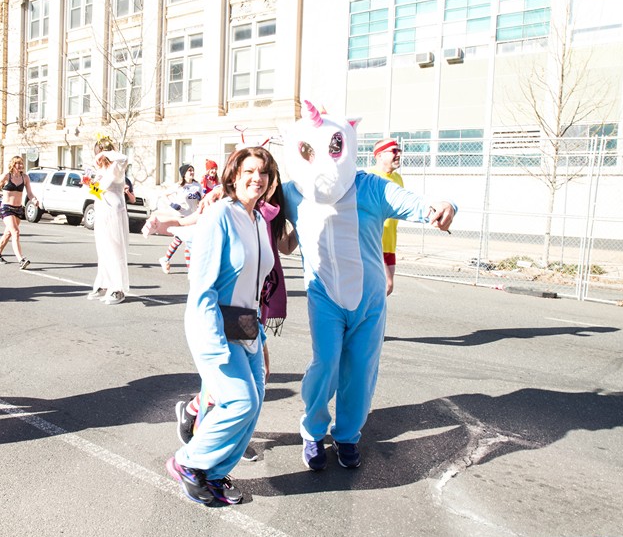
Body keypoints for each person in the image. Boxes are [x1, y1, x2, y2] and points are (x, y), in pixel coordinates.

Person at [283, 101, 455, 472]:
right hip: (323, 295)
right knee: (325, 364)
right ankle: (313, 432)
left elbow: (415, 204)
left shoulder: (370, 187)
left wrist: (442, 205)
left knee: (360, 370)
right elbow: (259, 210)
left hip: (369, 299)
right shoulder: (292, 191)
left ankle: (347, 436)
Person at [166, 146, 277, 505]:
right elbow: (202, 286)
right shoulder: (219, 216)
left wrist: (260, 339)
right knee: (239, 401)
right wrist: (212, 341)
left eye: (263, 172)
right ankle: (188, 463)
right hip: (213, 324)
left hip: (246, 327)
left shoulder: (259, 220)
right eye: (249, 171)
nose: (256, 178)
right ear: (233, 175)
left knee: (254, 401)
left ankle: (213, 473)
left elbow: (255, 288)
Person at [86, 135, 130, 305]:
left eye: (98, 154)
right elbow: (98, 193)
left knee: (115, 251)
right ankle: (104, 284)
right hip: (102, 212)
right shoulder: (100, 172)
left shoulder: (116, 167)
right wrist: (90, 185)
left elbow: (123, 157)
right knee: (103, 251)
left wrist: (108, 152)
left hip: (114, 212)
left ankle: (118, 288)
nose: (96, 158)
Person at [365, 138, 404, 295]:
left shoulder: (397, 179)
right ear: (379, 155)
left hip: (390, 244)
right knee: (385, 285)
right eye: (394, 151)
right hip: (372, 243)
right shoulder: (368, 177)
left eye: (399, 151)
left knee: (382, 291)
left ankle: (370, 319)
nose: (398, 155)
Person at [0, 156, 37, 268]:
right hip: (6, 208)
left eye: (21, 163)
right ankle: (21, 259)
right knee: (15, 232)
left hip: (18, 209)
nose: (20, 165)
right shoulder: (6, 176)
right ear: (12, 164)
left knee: (8, 233)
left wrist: (34, 200)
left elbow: (30, 193)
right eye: (17, 163)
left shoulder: (25, 178)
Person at [158, 164, 203, 274]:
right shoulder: (178, 186)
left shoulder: (197, 185)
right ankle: (190, 269)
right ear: (184, 174)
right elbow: (164, 195)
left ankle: (165, 259)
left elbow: (201, 200)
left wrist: (199, 197)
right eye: (189, 171)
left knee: (183, 240)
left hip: (192, 216)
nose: (191, 172)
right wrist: (172, 204)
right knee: (185, 240)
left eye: (192, 170)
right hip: (181, 215)